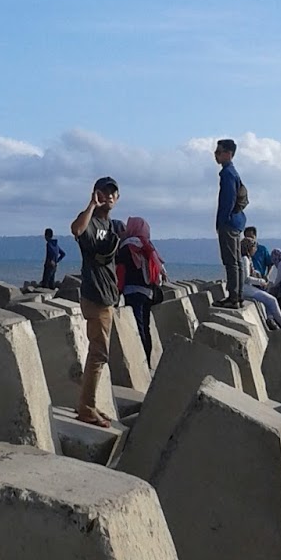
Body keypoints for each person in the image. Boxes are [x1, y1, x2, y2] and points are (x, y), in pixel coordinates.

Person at [71, 176, 123, 427]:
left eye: (113, 192)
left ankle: (88, 403)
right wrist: (91, 205)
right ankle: (87, 408)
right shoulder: (90, 220)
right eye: (104, 191)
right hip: (95, 295)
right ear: (96, 193)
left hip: (107, 296)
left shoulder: (112, 225)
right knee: (99, 354)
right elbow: (76, 230)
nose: (109, 195)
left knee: (98, 354)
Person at [116, 216, 166, 367]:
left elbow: (120, 270)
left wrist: (117, 292)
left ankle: (141, 362)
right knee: (146, 326)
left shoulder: (127, 246)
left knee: (137, 327)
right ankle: (148, 362)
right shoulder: (148, 246)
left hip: (132, 291)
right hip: (148, 292)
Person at [214, 138, 246, 307]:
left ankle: (233, 297)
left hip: (229, 223)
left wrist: (222, 220)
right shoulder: (232, 172)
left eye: (219, 152)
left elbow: (228, 200)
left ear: (228, 154)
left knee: (230, 261)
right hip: (236, 222)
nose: (216, 155)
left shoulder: (228, 173)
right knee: (237, 261)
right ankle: (237, 295)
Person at [239, 239, 281, 329]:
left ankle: (271, 320)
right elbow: (246, 279)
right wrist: (261, 282)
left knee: (267, 299)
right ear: (250, 248)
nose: (256, 249)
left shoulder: (247, 259)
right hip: (245, 289)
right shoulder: (245, 259)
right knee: (272, 300)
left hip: (247, 288)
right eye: (254, 247)